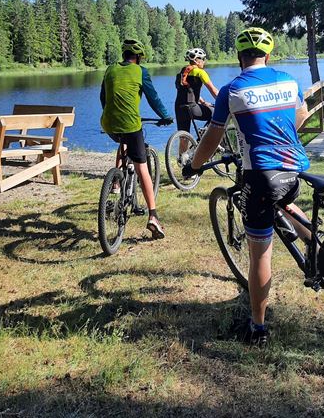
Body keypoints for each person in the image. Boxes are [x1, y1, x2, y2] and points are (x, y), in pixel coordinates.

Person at [183, 27, 311, 345]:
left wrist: (194, 165)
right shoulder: (288, 80)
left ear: (240, 57)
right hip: (294, 166)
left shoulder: (232, 89)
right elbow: (302, 114)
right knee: (285, 200)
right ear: (268, 55)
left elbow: (212, 137)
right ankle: (317, 245)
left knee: (260, 256)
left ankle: (258, 327)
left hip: (262, 175)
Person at [100, 38, 173, 238]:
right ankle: (153, 216)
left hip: (108, 122)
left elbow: (103, 98)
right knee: (141, 166)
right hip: (131, 124)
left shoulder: (110, 69)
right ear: (138, 57)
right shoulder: (141, 71)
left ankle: (115, 183)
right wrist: (165, 116)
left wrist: (111, 114)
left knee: (123, 143)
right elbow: (153, 97)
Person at [174, 48, 219, 152]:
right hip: (192, 107)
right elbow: (214, 91)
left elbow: (189, 91)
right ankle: (206, 136)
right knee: (215, 113)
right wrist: (224, 102)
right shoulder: (200, 72)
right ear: (196, 60)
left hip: (179, 107)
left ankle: (183, 160)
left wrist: (203, 102)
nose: (204, 61)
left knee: (184, 136)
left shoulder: (183, 71)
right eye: (203, 59)